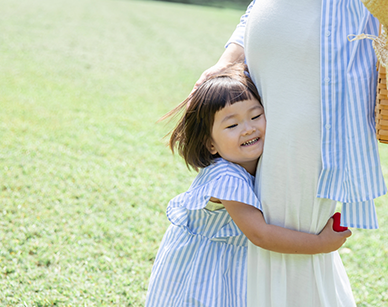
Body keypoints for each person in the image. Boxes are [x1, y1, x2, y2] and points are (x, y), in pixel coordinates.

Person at [196, 0, 388, 306]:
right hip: (260, 78)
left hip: (318, 77)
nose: (245, 129)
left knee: (294, 212)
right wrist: (230, 58)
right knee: (275, 207)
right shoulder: (225, 175)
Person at [145, 65, 352, 307]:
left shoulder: (263, 164)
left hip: (231, 264)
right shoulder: (226, 178)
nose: (248, 128)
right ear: (211, 144)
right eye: (232, 126)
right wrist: (319, 244)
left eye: (255, 116)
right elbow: (260, 233)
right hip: (204, 270)